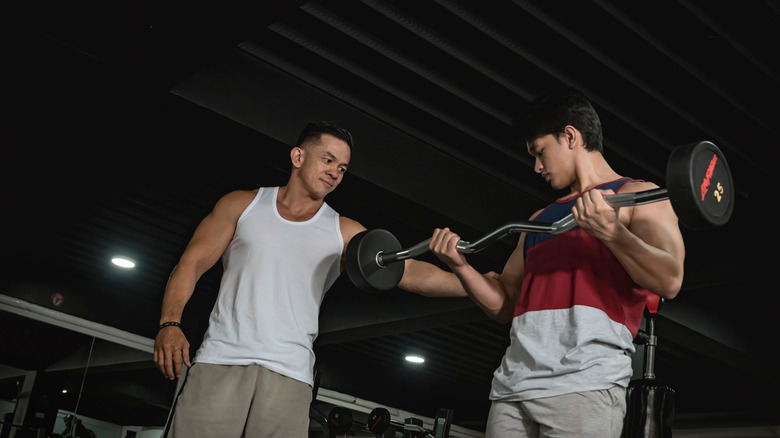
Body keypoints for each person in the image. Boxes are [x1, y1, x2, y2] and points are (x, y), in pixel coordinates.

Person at [153, 121, 461, 438]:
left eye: (342, 168)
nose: (335, 173)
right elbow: (191, 263)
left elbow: (409, 271)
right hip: (222, 358)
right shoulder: (242, 204)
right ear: (298, 157)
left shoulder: (342, 231)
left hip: (290, 373)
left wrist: (472, 282)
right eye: (328, 160)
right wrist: (169, 323)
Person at [427, 88, 685, 438]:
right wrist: (461, 267)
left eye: (540, 152)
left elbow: (670, 279)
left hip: (584, 385)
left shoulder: (635, 195)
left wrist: (613, 234)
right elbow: (506, 303)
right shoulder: (540, 218)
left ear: (570, 136)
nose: (536, 167)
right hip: (513, 390)